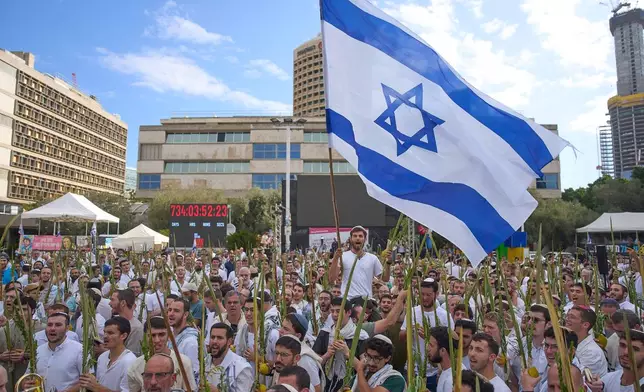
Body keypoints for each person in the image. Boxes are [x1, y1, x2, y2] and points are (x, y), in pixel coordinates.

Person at [399, 278, 452, 391]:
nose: (424, 298)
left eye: (428, 294)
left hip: (435, 370)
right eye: (422, 294)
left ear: (436, 294)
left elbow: (451, 344)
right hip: (413, 369)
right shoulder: (412, 312)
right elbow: (401, 337)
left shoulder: (444, 316)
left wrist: (428, 338)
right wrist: (409, 331)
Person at [127, 316, 197, 392]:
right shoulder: (135, 367)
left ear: (169, 336)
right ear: (145, 337)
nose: (157, 340)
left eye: (161, 335)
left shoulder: (183, 362)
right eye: (152, 335)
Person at [329, 226, 388, 300]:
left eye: (360, 236)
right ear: (350, 239)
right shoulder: (342, 256)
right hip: (347, 300)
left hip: (366, 301)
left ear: (365, 239)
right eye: (355, 236)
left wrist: (388, 263)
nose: (357, 238)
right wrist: (335, 258)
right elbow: (331, 279)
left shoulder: (373, 258)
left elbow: (385, 278)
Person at [80, 316, 137, 392]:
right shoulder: (102, 357)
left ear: (123, 336)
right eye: (105, 332)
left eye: (110, 333)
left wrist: (97, 387)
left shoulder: (130, 362)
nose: (105, 336)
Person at [33, 312, 83, 392]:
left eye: (58, 325)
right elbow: (28, 376)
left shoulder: (79, 350)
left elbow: (88, 381)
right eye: (49, 325)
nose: (52, 328)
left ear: (67, 328)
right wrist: (26, 383)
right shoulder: (38, 350)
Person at [204, 323, 253, 392]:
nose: (214, 341)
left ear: (229, 341)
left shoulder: (241, 368)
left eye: (219, 338)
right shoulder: (203, 363)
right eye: (212, 337)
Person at [566, 306, 608, 377]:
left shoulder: (592, 352)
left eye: (572, 317)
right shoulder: (569, 340)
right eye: (567, 316)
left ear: (585, 325)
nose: (567, 319)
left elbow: (578, 378)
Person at [167, 297, 199, 382]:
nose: (171, 314)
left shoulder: (191, 342)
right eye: (170, 310)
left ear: (185, 314)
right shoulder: (171, 336)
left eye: (176, 311)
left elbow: (194, 375)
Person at [109, 288, 144, 356]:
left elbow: (132, 355)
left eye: (112, 300)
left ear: (123, 303)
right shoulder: (114, 321)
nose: (109, 303)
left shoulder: (136, 328)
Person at [428, 327, 459, 392]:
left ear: (443, 350)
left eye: (431, 345)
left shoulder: (450, 381)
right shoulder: (448, 369)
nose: (428, 349)